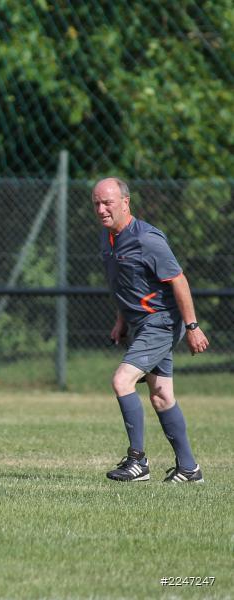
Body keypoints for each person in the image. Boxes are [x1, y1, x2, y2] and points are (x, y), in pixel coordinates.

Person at [94, 177, 209, 483]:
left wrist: (193, 326)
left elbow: (178, 280)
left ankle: (137, 462)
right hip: (139, 325)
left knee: (122, 381)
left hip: (160, 323)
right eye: (97, 203)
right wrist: (121, 319)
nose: (102, 209)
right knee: (161, 395)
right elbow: (125, 284)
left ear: (125, 203)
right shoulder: (107, 239)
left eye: (108, 202)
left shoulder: (147, 239)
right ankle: (189, 468)